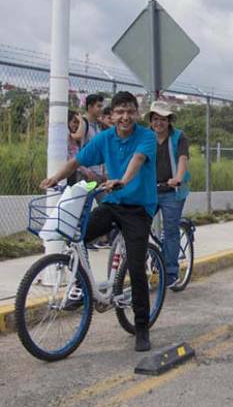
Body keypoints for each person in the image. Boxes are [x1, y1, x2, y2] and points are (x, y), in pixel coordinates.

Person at [40, 91, 157, 352]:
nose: (125, 116)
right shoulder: (105, 138)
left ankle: (141, 328)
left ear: (136, 114)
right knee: (79, 235)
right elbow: (77, 161)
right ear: (112, 115)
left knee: (136, 267)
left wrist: (123, 181)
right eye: (119, 112)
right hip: (113, 203)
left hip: (139, 208)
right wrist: (55, 178)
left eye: (130, 111)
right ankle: (82, 288)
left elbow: (137, 161)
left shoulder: (146, 137)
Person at [147, 101, 190, 287]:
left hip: (172, 190)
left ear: (169, 121)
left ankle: (171, 272)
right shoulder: (146, 137)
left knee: (170, 230)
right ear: (150, 121)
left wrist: (178, 178)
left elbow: (182, 159)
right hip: (149, 190)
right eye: (155, 119)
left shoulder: (178, 136)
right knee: (139, 226)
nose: (159, 123)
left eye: (163, 119)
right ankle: (153, 259)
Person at [81, 94, 106, 184]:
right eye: (98, 106)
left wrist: (103, 170)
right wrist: (87, 171)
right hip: (88, 175)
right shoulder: (83, 125)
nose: (101, 109)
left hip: (99, 174)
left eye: (101, 106)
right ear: (90, 107)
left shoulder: (97, 126)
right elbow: (77, 150)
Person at [66, 110, 86, 186]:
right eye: (74, 122)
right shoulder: (66, 132)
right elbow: (80, 135)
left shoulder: (72, 136)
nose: (77, 125)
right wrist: (81, 121)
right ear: (68, 122)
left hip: (73, 169)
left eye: (78, 123)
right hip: (67, 170)